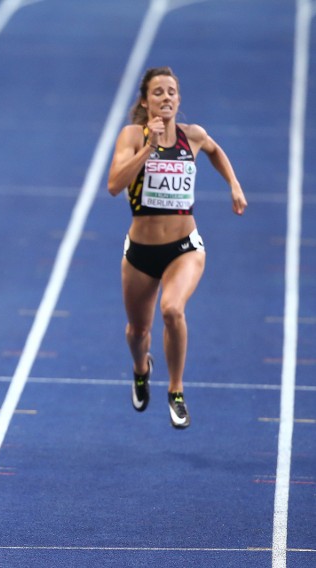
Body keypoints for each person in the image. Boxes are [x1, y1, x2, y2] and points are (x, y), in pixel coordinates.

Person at [107, 66, 246, 429]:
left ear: (178, 100)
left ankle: (176, 391)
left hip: (185, 248)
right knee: (137, 332)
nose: (166, 97)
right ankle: (141, 369)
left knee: (171, 310)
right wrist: (150, 147)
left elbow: (215, 151)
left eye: (171, 92)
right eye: (158, 92)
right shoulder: (132, 137)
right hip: (140, 253)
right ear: (145, 101)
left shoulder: (193, 136)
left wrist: (233, 184)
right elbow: (114, 185)